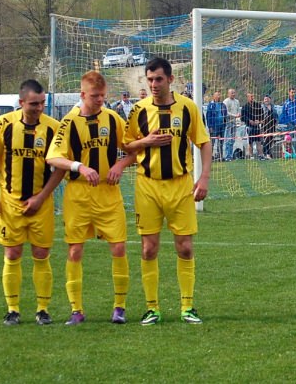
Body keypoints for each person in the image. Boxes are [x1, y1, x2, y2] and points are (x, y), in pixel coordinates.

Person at [124, 57, 212, 325]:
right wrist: (146, 141)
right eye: (149, 79)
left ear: (170, 80)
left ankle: (187, 307)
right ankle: (152, 308)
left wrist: (204, 178)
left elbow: (204, 143)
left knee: (184, 247)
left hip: (180, 185)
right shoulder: (138, 109)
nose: (153, 84)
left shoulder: (187, 108)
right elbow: (127, 146)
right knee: (149, 249)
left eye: (158, 79)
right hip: (147, 186)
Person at [46, 71, 136, 325]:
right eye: (95, 96)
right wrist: (79, 167)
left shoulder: (113, 118)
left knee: (118, 247)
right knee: (75, 251)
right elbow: (53, 157)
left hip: (108, 193)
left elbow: (134, 150)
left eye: (103, 96)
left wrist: (120, 165)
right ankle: (76, 310)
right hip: (78, 195)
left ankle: (120, 307)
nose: (99, 101)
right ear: (82, 94)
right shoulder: (68, 122)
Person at [0, 80, 66, 326]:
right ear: (21, 103)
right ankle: (13, 309)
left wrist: (41, 197)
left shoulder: (54, 128)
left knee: (41, 254)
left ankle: (43, 309)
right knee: (12, 253)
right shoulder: (3, 124)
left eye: (42, 103)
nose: (39, 108)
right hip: (10, 202)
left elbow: (59, 169)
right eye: (34, 104)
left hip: (41, 203)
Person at [279, 88, 296, 157]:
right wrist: (287, 121)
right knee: (289, 139)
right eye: (292, 92)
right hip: (290, 123)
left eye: (294, 92)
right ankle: (287, 152)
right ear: (289, 93)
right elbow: (284, 113)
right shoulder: (286, 103)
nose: (293, 94)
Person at [241, 92, 264, 160]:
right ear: (247, 98)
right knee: (250, 142)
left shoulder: (258, 105)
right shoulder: (245, 107)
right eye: (251, 96)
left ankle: (260, 155)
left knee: (258, 141)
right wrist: (249, 121)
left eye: (253, 96)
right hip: (249, 126)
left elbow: (262, 115)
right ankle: (251, 156)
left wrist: (259, 121)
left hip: (257, 126)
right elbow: (242, 117)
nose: (252, 98)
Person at [206, 91, 227, 161]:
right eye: (218, 95)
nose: (219, 96)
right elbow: (208, 116)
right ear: (214, 97)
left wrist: (225, 123)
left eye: (219, 95)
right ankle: (209, 157)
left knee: (221, 142)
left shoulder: (223, 105)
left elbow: (225, 114)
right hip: (214, 126)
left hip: (222, 126)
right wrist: (210, 126)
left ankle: (220, 156)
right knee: (212, 142)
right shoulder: (211, 105)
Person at [222, 88, 241, 161]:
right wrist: (235, 115)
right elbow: (226, 113)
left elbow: (238, 110)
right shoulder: (226, 101)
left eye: (234, 93)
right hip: (228, 122)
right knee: (228, 139)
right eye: (232, 93)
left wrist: (238, 115)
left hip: (234, 122)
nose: (233, 94)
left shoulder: (237, 101)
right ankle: (227, 156)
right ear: (228, 94)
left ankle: (230, 155)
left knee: (233, 139)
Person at [260, 94, 278, 159]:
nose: (266, 100)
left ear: (270, 99)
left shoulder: (273, 107)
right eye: (265, 99)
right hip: (265, 126)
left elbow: (276, 116)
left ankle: (268, 153)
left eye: (267, 99)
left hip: (272, 125)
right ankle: (265, 154)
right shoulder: (261, 107)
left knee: (270, 140)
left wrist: (276, 123)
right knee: (265, 140)